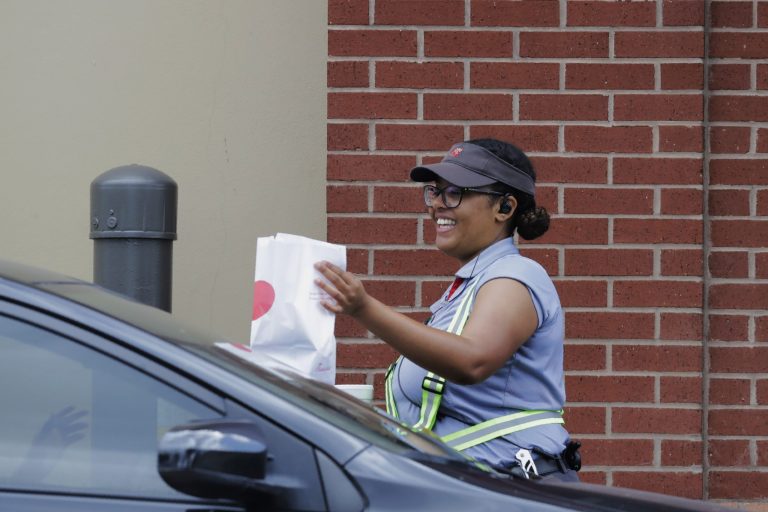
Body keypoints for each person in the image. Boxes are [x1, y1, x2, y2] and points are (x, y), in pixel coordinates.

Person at [314, 138, 580, 482]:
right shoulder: (468, 290)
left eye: (455, 192)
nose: (437, 204)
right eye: (434, 192)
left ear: (504, 207)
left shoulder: (516, 276)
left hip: (514, 494)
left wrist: (363, 308)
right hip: (481, 490)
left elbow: (473, 361)